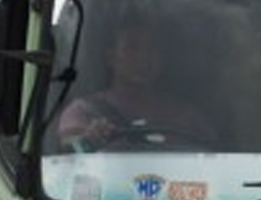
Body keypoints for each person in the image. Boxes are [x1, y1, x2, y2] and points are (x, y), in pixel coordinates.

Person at [54, 19, 209, 151]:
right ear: (110, 58)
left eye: (152, 49)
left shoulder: (185, 116)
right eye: (132, 48)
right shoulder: (85, 111)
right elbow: (66, 152)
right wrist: (88, 140)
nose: (143, 57)